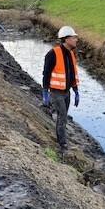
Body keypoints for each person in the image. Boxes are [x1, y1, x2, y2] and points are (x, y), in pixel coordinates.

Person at [42, 25, 80, 153]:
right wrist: (45, 92)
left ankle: (62, 141)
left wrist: (75, 90)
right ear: (66, 39)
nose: (76, 40)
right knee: (62, 117)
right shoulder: (53, 54)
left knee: (63, 116)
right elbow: (46, 73)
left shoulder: (71, 53)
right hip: (56, 92)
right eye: (74, 37)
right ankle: (63, 145)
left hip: (66, 92)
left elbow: (72, 73)